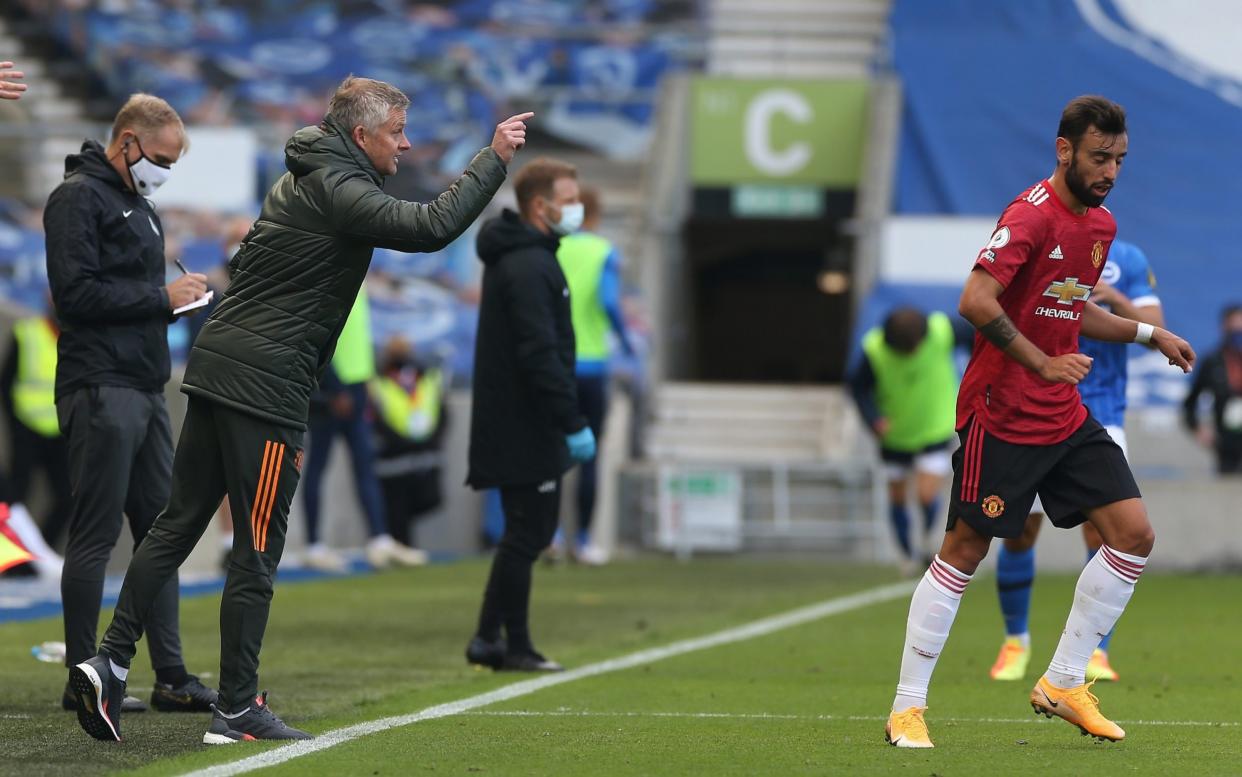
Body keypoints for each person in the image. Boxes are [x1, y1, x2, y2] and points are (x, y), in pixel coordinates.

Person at [69, 76, 526, 744]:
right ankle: (235, 705)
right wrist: (493, 160)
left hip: (220, 369)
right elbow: (431, 227)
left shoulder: (303, 176)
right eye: (397, 131)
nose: (405, 143)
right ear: (363, 134)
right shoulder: (343, 191)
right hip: (266, 389)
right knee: (257, 551)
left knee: (173, 526)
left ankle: (108, 661)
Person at [883, 95, 1195, 749]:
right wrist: (1038, 362)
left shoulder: (1100, 227)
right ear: (1065, 150)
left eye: (1119, 160)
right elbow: (976, 300)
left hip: (1062, 413)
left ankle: (1062, 681)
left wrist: (1147, 335)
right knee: (966, 551)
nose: (1110, 171)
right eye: (1099, 157)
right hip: (1000, 411)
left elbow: (1069, 310)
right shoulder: (1030, 215)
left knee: (1133, 534)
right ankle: (907, 707)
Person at [45, 94, 218, 719]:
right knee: (95, 535)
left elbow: (128, 293)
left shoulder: (136, 203)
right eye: (163, 157)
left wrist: (174, 298)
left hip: (143, 384)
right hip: (101, 385)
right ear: (127, 141)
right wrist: (159, 295)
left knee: (161, 535)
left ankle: (170, 675)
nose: (165, 170)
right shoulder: (77, 198)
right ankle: (80, 677)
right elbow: (75, 294)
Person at [989, 239, 1162, 684]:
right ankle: (1015, 641)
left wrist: (1118, 301)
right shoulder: (1042, 248)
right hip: (1037, 406)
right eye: (1100, 161)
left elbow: (1154, 329)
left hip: (1101, 411)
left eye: (1114, 163)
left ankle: (1095, 651)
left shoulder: (1127, 259)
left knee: (1108, 528)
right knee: (1022, 529)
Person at [465, 157, 596, 673]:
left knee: (525, 532)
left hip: (518, 418)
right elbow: (539, 352)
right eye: (568, 199)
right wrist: (570, 420)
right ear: (539, 206)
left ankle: (487, 638)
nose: (576, 208)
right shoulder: (528, 264)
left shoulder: (529, 256)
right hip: (525, 421)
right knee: (528, 533)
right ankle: (514, 644)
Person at [300, 289, 427, 573]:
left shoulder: (358, 279)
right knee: (318, 466)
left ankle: (380, 540)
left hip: (356, 388)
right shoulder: (331, 276)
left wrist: (367, 380)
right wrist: (335, 388)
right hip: (333, 393)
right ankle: (314, 545)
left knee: (365, 465)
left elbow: (356, 336)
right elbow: (317, 337)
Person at [848, 308, 969, 571]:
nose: (914, 353)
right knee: (898, 497)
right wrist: (873, 418)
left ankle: (927, 540)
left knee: (926, 494)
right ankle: (905, 554)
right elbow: (858, 388)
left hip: (934, 428)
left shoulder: (942, 330)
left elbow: (982, 335)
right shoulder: (874, 350)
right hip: (895, 435)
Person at [554, 186, 632, 565]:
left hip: (554, 363)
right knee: (589, 455)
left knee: (550, 452)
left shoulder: (549, 247)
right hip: (591, 365)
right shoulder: (602, 251)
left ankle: (549, 535)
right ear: (596, 215)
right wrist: (627, 342)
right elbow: (609, 302)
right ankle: (582, 540)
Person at [0, 303, 71, 577]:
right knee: (15, 495)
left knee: (66, 498)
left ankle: (37, 556)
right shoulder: (27, 332)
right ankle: (24, 562)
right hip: (26, 428)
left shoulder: (77, 336)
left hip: (60, 431)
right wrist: (16, 425)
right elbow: (7, 384)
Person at [370, 336, 448, 551]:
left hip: (423, 454)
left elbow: (441, 412)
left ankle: (405, 548)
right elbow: (377, 418)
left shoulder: (426, 378)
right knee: (397, 512)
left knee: (423, 502)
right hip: (394, 457)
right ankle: (403, 550)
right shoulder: (380, 381)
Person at [1182, 304, 1242, 474]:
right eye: (1234, 329)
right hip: (1226, 444)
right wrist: (1197, 428)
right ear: (1224, 328)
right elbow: (1190, 402)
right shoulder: (1213, 361)